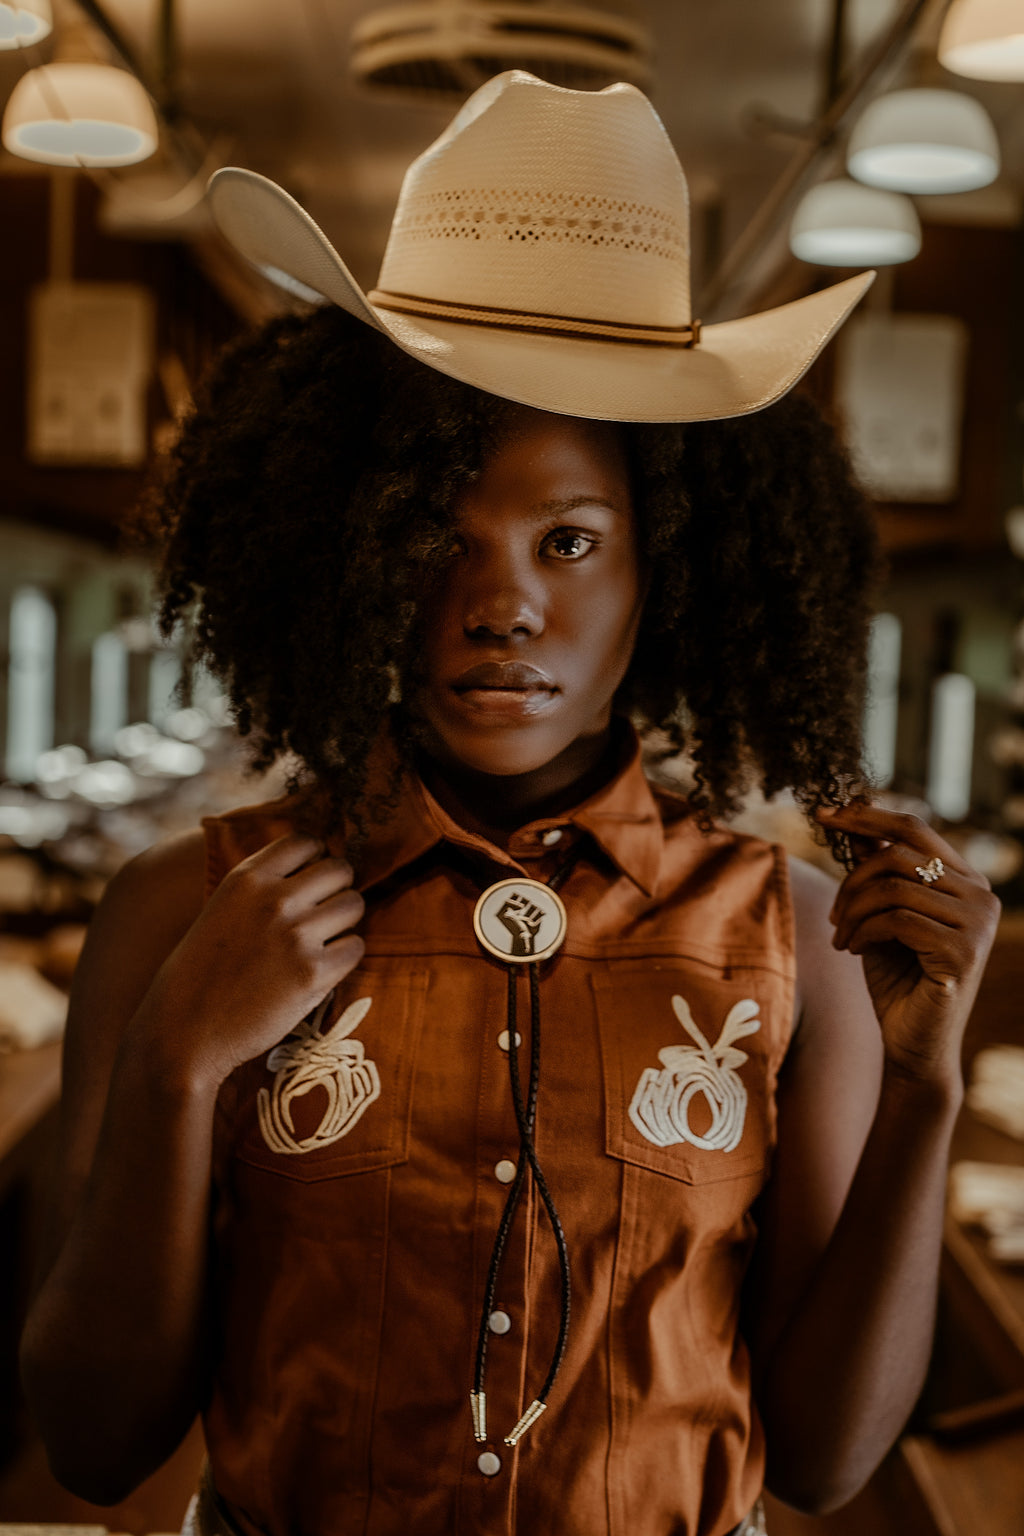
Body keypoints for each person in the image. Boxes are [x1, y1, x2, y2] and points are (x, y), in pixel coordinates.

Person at [20, 71, 999, 1536]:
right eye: (437, 536)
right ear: (350, 556)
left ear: (659, 570)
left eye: (569, 540)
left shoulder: (793, 943)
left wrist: (928, 1093)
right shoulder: (187, 911)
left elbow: (824, 1459)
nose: (502, 608)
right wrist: (176, 1064)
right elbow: (93, 1443)